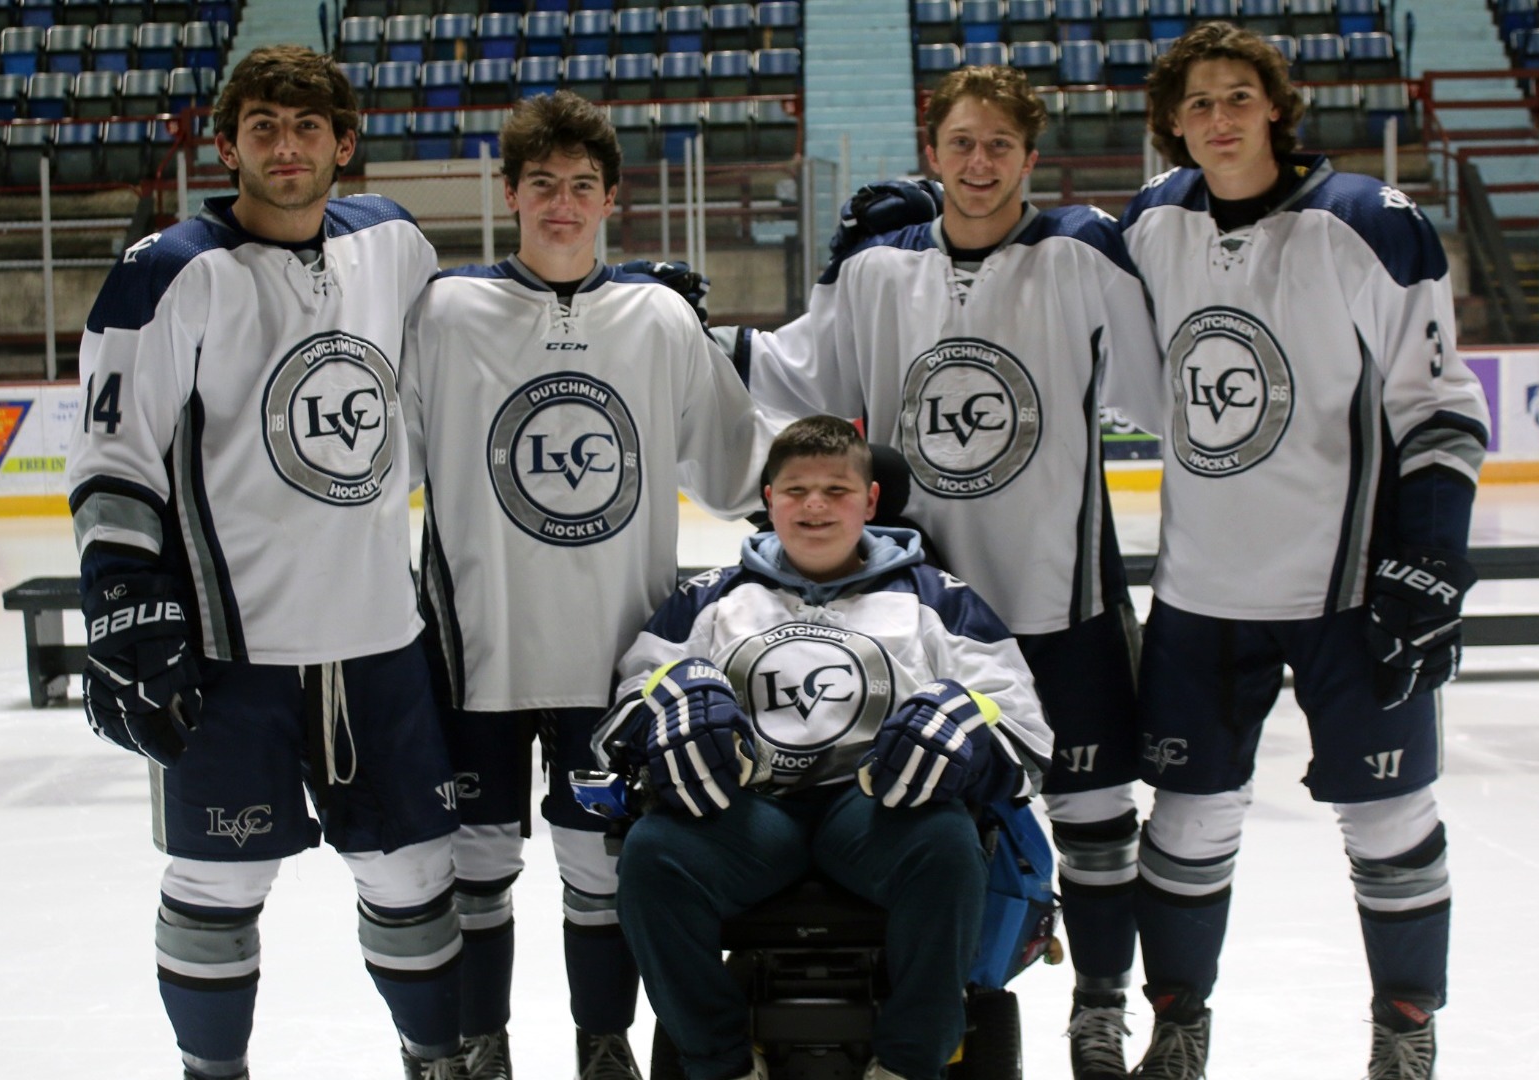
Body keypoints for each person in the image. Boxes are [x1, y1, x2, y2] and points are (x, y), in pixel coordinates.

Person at [714, 65, 1160, 1079]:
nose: (979, 162)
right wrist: (677, 328)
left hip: (1063, 598)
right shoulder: (880, 272)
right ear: (933, 150)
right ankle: (943, 1000)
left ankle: (1099, 1008)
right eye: (961, 142)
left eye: (1000, 144)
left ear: (1029, 158)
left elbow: (1163, 384)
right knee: (936, 818)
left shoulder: (1083, 253)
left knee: (1094, 820)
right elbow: (798, 373)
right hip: (923, 617)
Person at [64, 46, 466, 1080]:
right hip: (231, 652)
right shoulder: (166, 272)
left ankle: (435, 1060)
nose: (284, 147)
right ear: (230, 140)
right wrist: (121, 600)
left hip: (381, 640)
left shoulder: (396, 244)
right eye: (262, 127)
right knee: (214, 883)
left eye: (305, 127)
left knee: (415, 872)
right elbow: (113, 457)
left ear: (344, 140)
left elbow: (462, 374)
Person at [1111, 22, 1490, 1080]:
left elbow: (1441, 407)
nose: (1218, 119)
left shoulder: (1365, 222)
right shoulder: (1153, 221)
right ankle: (1179, 1024)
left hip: (1349, 592)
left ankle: (1405, 1030)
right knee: (1185, 814)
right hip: (1201, 593)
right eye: (1197, 105)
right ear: (1172, 125)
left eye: (1238, 97)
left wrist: (1434, 557)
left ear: (1276, 105)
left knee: (1390, 811)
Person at [402, 90, 771, 1080]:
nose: (560, 204)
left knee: (599, 868)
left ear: (613, 198)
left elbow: (742, 471)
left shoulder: (657, 318)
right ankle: (483, 1043)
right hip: (474, 643)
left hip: (620, 650)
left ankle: (601, 1045)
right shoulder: (444, 312)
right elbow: (374, 468)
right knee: (474, 865)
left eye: (580, 186)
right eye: (541, 186)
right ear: (509, 194)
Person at [605, 415, 1057, 1080]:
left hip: (876, 809)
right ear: (767, 499)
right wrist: (665, 714)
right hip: (751, 812)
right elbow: (630, 703)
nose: (815, 505)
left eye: (837, 490)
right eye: (795, 490)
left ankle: (907, 1064)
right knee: (653, 857)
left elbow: (1022, 724)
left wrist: (971, 736)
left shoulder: (940, 600)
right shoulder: (708, 600)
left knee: (946, 846)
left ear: (871, 500)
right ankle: (720, 1062)